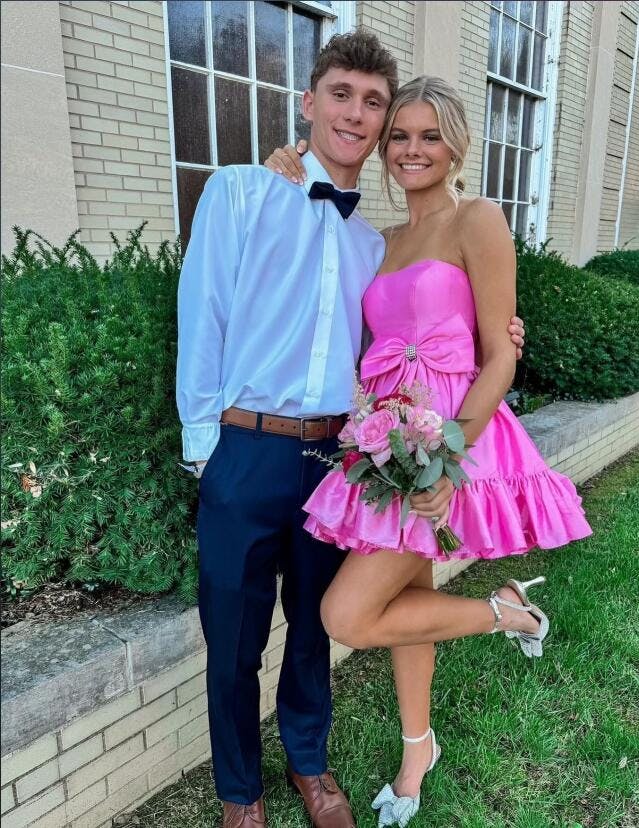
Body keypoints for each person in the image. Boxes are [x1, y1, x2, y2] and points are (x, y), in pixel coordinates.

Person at [176, 31, 525, 828]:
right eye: (342, 94)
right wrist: (206, 453)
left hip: (338, 457)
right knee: (232, 637)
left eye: (375, 104)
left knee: (315, 625)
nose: (358, 115)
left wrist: (501, 338)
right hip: (244, 448)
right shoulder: (241, 192)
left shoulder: (375, 242)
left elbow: (420, 330)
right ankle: (240, 794)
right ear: (309, 102)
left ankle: (310, 766)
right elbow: (203, 317)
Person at [265, 75, 592, 827]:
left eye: (429, 136)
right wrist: (289, 164)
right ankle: (420, 749)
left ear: (455, 146)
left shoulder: (478, 219)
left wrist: (447, 458)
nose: (413, 150)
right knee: (404, 597)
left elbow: (500, 355)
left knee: (347, 614)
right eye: (400, 136)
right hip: (387, 444)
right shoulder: (380, 241)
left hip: (450, 440)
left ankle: (509, 614)